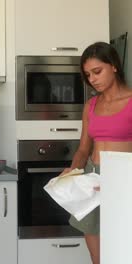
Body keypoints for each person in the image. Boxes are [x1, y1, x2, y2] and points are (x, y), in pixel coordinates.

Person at [61, 41, 132, 264]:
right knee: (97, 258)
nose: (92, 79)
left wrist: (119, 179)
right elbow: (83, 149)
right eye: (88, 74)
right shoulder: (91, 105)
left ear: (114, 66)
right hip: (92, 180)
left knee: (121, 254)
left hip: (123, 182)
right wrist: (72, 172)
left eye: (97, 71)